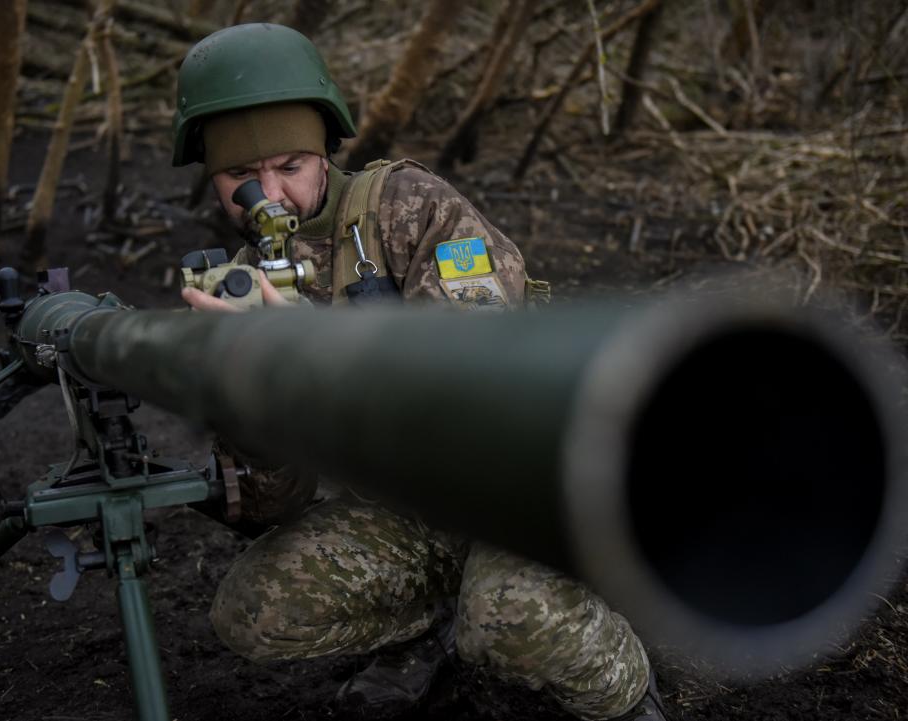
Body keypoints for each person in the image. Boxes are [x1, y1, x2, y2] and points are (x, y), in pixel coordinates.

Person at [172, 22, 667, 721]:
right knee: (258, 610)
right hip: (416, 507)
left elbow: (480, 386)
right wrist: (242, 401)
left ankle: (623, 689)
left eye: (289, 165)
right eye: (240, 178)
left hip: (523, 484)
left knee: (509, 619)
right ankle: (429, 625)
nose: (269, 195)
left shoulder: (404, 207)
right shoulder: (240, 287)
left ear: (323, 150)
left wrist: (314, 349)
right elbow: (270, 506)